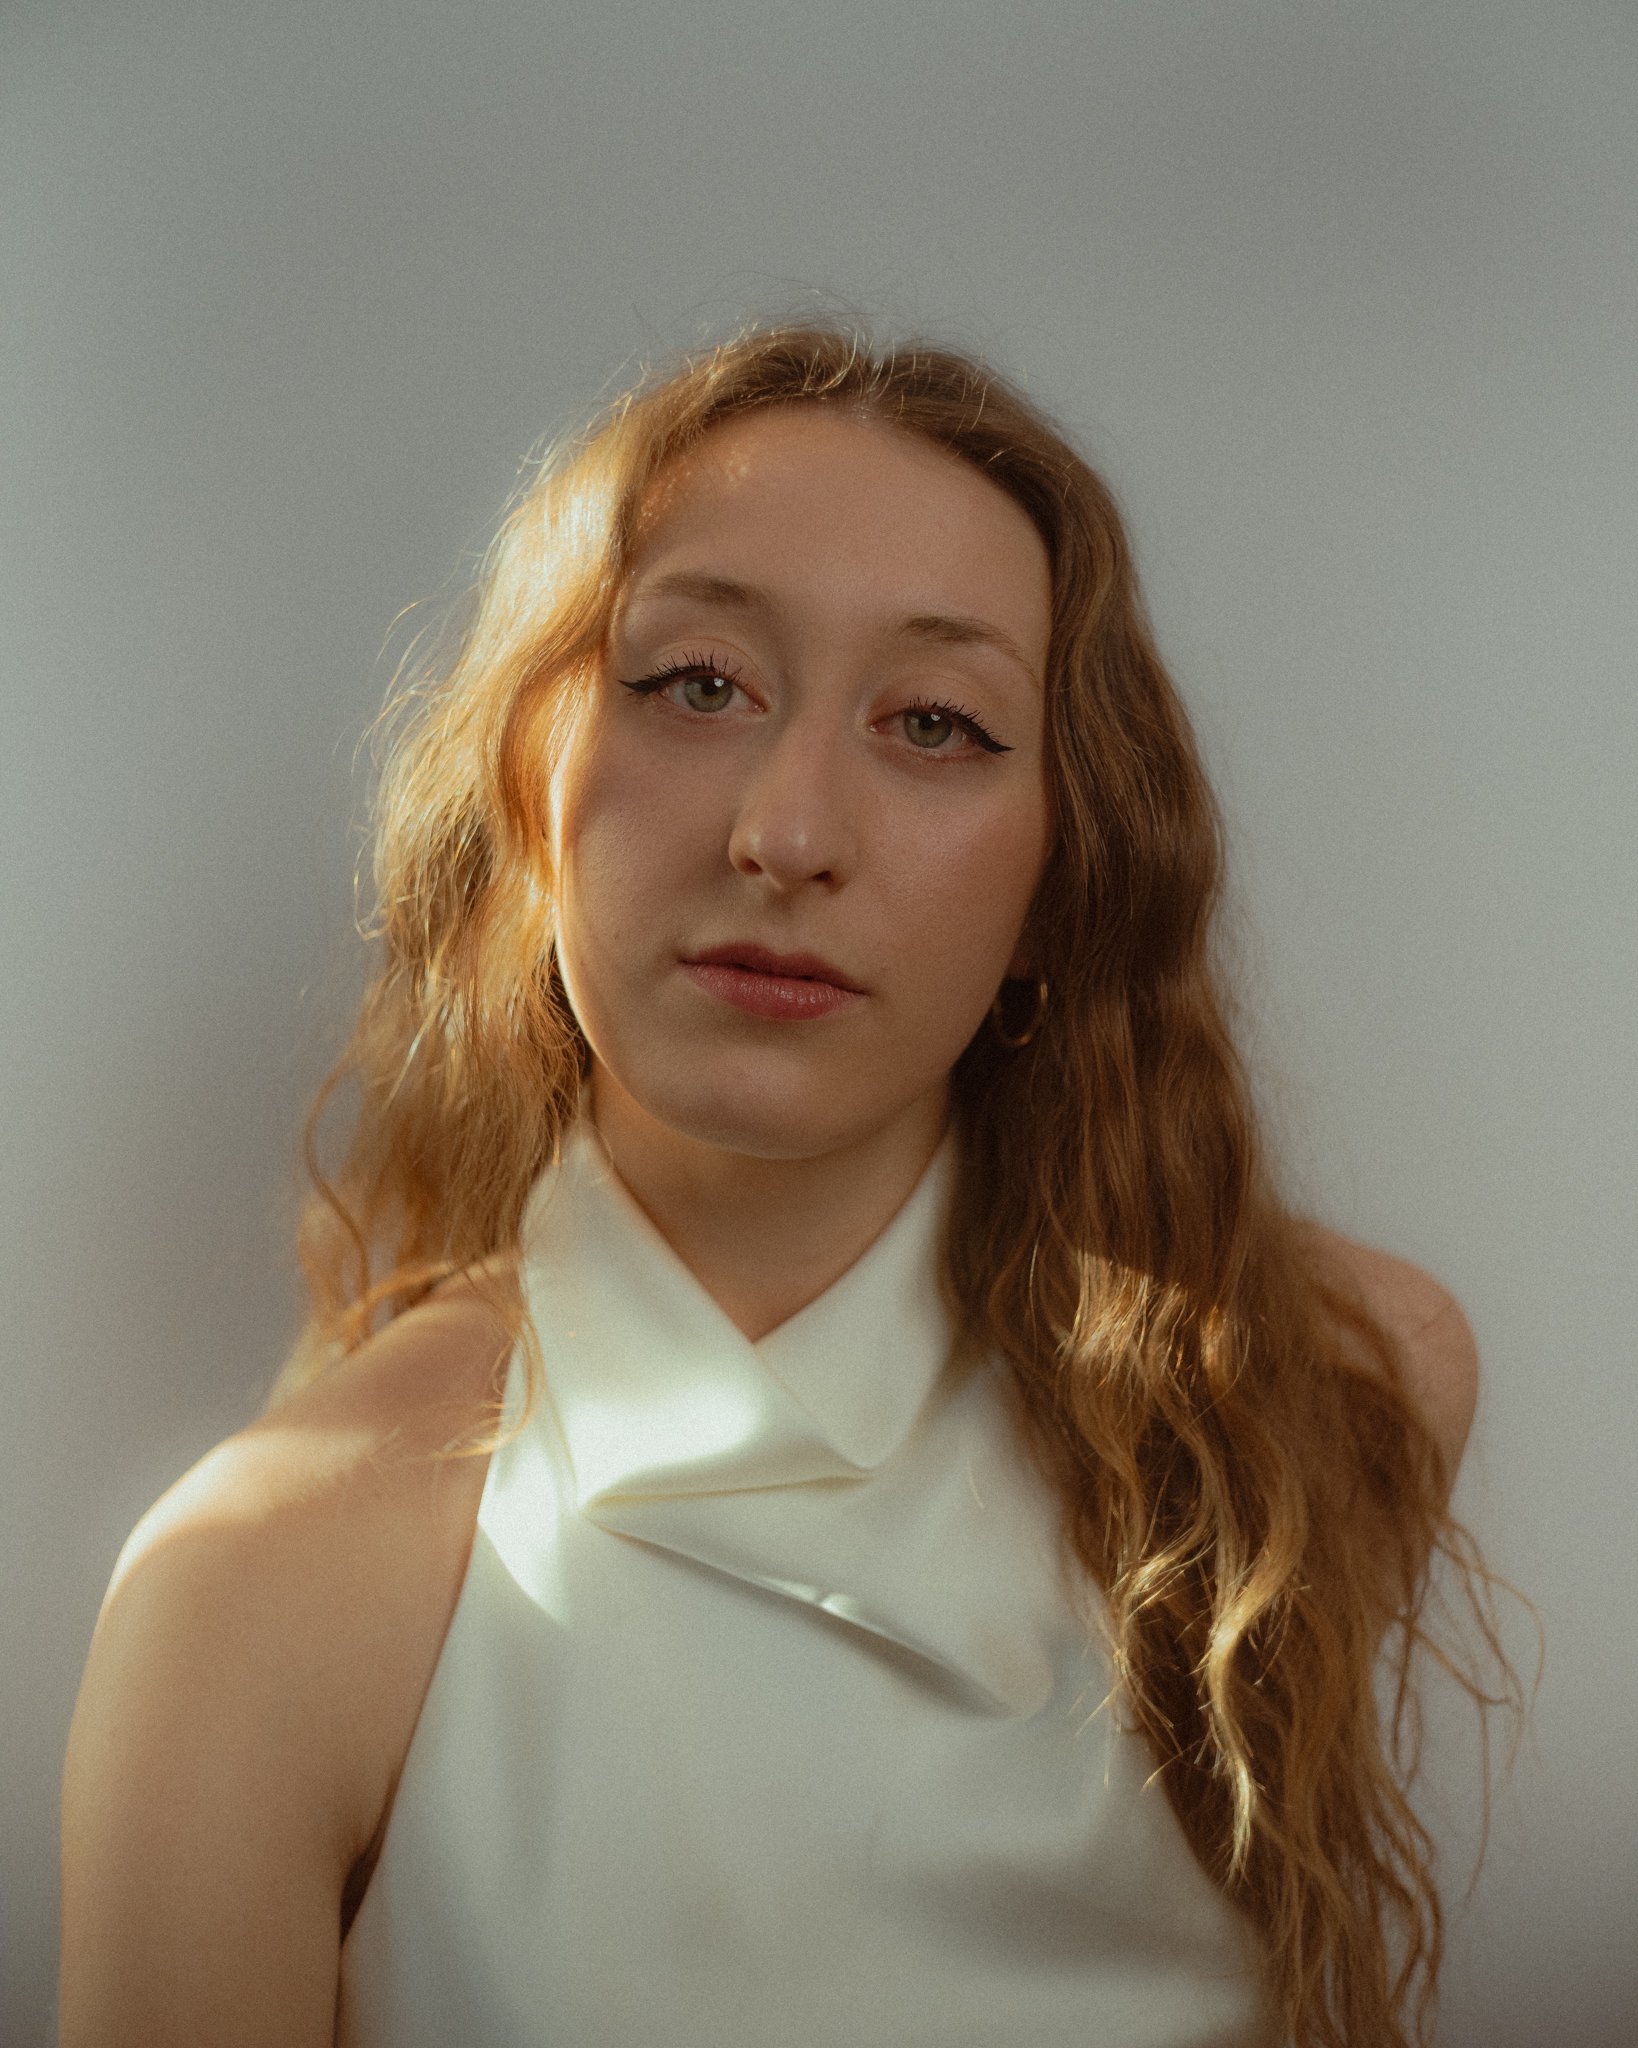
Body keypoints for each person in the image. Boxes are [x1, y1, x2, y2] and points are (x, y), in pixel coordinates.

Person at [58, 324, 1519, 2047]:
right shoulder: (266, 1588)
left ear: (1065, 880)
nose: (787, 830)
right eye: (695, 683)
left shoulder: (1328, 1384)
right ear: (530, 788)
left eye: (935, 722)